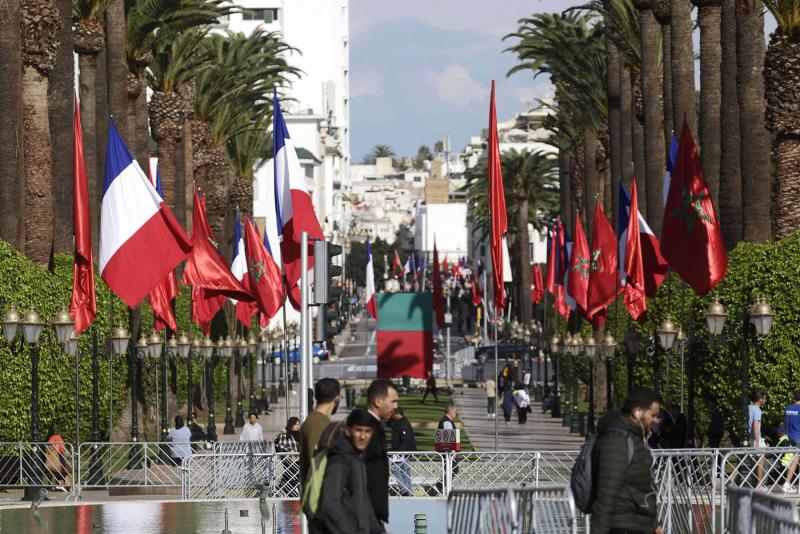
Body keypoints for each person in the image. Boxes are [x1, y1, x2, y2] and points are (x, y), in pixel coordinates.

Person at [591, 388, 663, 534]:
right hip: (623, 527)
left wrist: (654, 524)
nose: (656, 420)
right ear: (637, 412)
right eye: (653, 415)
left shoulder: (634, 438)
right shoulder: (617, 441)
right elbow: (606, 492)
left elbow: (640, 488)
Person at [318, 409, 385, 534]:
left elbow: (363, 502)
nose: (363, 436)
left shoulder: (357, 459)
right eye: (358, 430)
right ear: (348, 431)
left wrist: (378, 531)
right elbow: (330, 505)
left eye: (367, 431)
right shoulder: (339, 460)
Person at [364, 379, 399, 533]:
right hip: (366, 514)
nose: (396, 406)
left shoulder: (373, 425)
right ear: (378, 401)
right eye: (393, 401)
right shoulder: (365, 428)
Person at [300, 378, 341, 489]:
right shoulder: (317, 423)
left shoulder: (318, 421)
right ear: (337, 398)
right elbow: (316, 464)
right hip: (320, 494)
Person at [389, 407, 416, 496]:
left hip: (402, 452)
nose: (391, 415)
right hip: (404, 451)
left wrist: (400, 451)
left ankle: (404, 488)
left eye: (393, 414)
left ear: (397, 414)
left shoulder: (403, 423)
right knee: (405, 471)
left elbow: (405, 438)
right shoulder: (400, 422)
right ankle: (409, 491)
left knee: (394, 468)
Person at [275, 417, 301, 497]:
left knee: (297, 477)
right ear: (291, 425)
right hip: (288, 459)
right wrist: (290, 451)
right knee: (290, 476)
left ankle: (296, 494)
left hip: (299, 459)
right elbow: (281, 446)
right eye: (295, 424)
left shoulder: (300, 435)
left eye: (298, 424)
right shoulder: (284, 434)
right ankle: (290, 494)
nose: (297, 426)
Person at [782, 390, 800, 491]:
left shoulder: (788, 408)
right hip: (799, 436)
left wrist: (788, 433)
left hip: (791, 436)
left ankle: (788, 483)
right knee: (795, 459)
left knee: (795, 459)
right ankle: (787, 483)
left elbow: (785, 423)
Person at [749, 390, 767, 487]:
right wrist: (757, 441)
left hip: (749, 437)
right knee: (761, 460)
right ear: (760, 399)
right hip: (756, 438)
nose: (765, 400)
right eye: (764, 398)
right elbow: (755, 426)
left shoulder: (749, 408)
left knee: (748, 461)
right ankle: (759, 484)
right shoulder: (757, 410)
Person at [45, 425, 69, 491]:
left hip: (60, 455)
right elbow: (49, 446)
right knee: (63, 470)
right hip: (57, 456)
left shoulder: (57, 437)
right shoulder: (55, 437)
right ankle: (60, 484)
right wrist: (56, 449)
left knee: (63, 470)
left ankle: (60, 484)